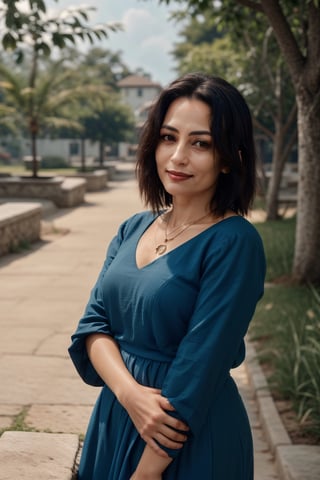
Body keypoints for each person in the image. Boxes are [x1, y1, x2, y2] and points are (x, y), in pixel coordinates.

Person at [69, 72, 266, 480]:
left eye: (200, 143)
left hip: (186, 437)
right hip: (118, 416)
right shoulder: (132, 228)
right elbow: (93, 326)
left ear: (230, 157)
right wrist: (130, 394)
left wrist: (147, 471)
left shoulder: (234, 242)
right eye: (167, 137)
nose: (177, 156)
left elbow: (201, 363)